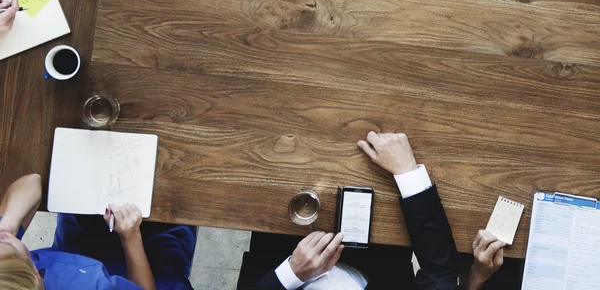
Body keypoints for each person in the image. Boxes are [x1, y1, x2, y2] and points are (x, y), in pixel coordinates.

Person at [236, 131, 460, 289]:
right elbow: (439, 272)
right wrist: (407, 172)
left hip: (280, 243)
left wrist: (292, 272)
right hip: (382, 253)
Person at [0, 173, 197, 289]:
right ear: (34, 274)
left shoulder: (9, 266)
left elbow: (31, 181)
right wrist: (131, 237)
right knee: (185, 189)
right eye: (6, 240)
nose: (4, 238)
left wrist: (8, 223)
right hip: (153, 263)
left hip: (79, 246)